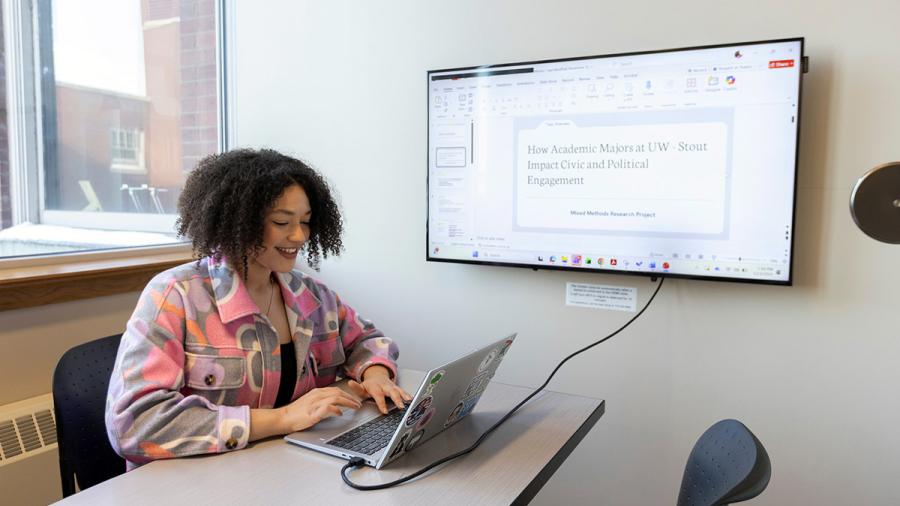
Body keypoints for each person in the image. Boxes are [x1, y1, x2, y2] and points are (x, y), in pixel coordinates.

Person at [105, 148, 411, 470]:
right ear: (240, 220)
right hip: (194, 480)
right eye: (282, 222)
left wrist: (376, 374)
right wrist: (282, 419)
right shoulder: (174, 297)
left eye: (306, 222)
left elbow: (368, 340)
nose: (299, 236)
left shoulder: (311, 295)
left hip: (280, 470)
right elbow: (133, 424)